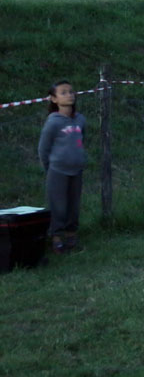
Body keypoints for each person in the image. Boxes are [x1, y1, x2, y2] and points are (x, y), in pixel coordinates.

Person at [39, 80, 87, 254]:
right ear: (54, 99)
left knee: (73, 205)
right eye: (63, 92)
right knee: (58, 205)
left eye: (71, 91)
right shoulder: (53, 122)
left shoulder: (80, 119)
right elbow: (43, 148)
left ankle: (71, 235)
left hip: (77, 169)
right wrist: (50, 167)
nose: (69, 95)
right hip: (58, 170)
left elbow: (82, 140)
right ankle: (56, 238)